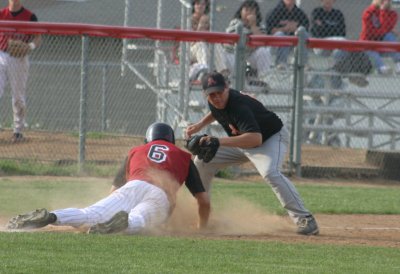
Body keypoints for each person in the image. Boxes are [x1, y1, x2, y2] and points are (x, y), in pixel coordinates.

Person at [7, 122, 211, 234]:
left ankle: (52, 216)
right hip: (159, 195)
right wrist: (202, 227)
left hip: (133, 186)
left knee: (91, 213)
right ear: (172, 140)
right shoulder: (183, 156)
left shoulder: (136, 151)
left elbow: (114, 192)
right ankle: (121, 223)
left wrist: (113, 207)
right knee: (138, 218)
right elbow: (203, 201)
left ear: (147, 140)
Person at [185, 71, 319, 236]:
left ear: (227, 88)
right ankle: (203, 217)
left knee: (271, 172)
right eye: (212, 94)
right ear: (205, 94)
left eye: (220, 92)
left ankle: (304, 219)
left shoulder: (238, 105)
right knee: (202, 162)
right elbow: (216, 112)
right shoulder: (215, 101)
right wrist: (199, 126)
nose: (217, 97)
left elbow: (255, 139)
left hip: (269, 139)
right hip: (242, 140)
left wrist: (218, 141)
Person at [0, 0, 41, 142]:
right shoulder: (1, 14)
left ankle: (18, 131)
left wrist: (29, 47)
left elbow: (37, 38)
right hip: (1, 55)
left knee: (18, 97)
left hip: (19, 58)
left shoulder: (30, 16)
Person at [224, 0, 272, 90]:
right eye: (246, 10)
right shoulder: (235, 22)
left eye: (251, 10)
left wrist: (253, 26)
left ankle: (263, 80)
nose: (248, 13)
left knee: (264, 51)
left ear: (256, 13)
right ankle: (236, 81)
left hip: (250, 54)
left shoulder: (259, 26)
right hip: (234, 54)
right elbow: (236, 40)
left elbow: (263, 41)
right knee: (229, 57)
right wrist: (252, 40)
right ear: (241, 11)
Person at [189, 0, 228, 82]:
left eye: (202, 4)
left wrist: (205, 23)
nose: (200, 6)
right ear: (194, 5)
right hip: (190, 50)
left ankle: (223, 73)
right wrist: (201, 25)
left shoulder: (207, 19)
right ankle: (204, 72)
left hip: (204, 49)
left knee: (216, 44)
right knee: (200, 44)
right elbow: (193, 41)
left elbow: (210, 38)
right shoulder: (190, 19)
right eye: (197, 4)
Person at [265, 0, 309, 70]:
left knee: (304, 34)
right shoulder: (275, 12)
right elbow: (270, 31)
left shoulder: (300, 13)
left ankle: (303, 63)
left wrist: (296, 29)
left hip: (293, 45)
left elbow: (306, 27)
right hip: (276, 45)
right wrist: (285, 29)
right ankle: (281, 63)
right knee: (281, 34)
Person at [360, 0, 400, 75]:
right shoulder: (369, 12)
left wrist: (383, 11)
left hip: (382, 43)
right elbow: (369, 31)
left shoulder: (392, 14)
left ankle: (399, 63)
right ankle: (381, 68)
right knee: (369, 47)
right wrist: (385, 30)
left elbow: (385, 27)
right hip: (369, 41)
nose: (384, 1)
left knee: (389, 36)